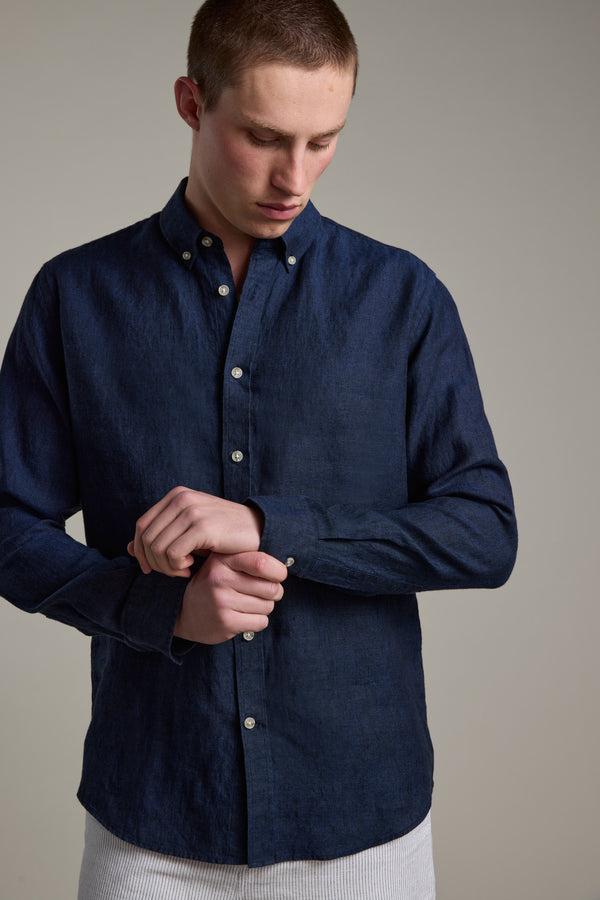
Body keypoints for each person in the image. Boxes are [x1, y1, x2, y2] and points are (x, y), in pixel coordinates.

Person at [0, 0, 517, 897]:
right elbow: (8, 523)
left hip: (359, 831)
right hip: (151, 821)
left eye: (324, 141)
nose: (295, 176)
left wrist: (268, 524)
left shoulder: (403, 298)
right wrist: (158, 609)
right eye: (265, 137)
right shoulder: (74, 296)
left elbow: (484, 532)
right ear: (191, 103)